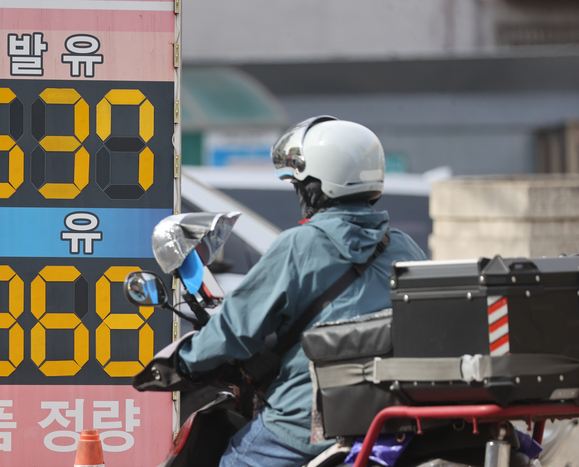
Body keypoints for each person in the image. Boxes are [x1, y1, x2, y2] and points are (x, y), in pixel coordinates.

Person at [178, 116, 428, 467]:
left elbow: (235, 329)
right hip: (397, 414)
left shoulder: (299, 245)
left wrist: (181, 362)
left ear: (316, 186)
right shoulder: (404, 247)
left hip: (313, 421)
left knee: (236, 459)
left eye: (300, 183)